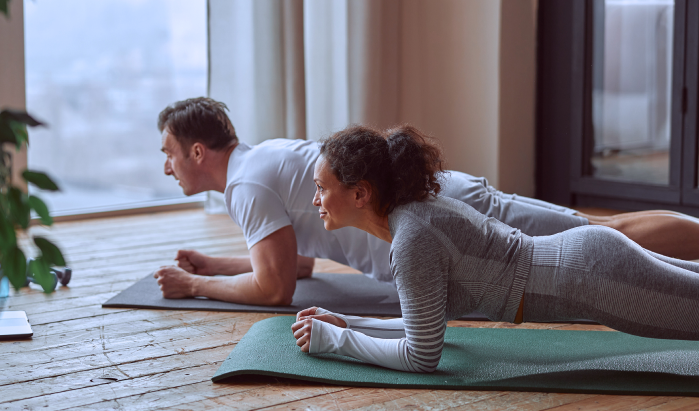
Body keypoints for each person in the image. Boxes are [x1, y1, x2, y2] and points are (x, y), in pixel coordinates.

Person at [153, 97, 699, 305]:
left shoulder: (247, 186)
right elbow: (294, 261)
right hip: (446, 213)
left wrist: (198, 287)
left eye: (169, 153)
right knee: (604, 236)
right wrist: (220, 264)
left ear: (198, 150)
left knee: (609, 235)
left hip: (453, 213)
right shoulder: (257, 164)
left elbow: (276, 288)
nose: (166, 165)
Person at [291, 125, 699, 373]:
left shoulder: (413, 238)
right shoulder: (414, 219)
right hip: (591, 263)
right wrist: (347, 322)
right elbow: (426, 327)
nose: (315, 200)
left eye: (322, 188)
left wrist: (333, 342)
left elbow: (421, 356)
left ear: (360, 193)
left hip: (593, 278)